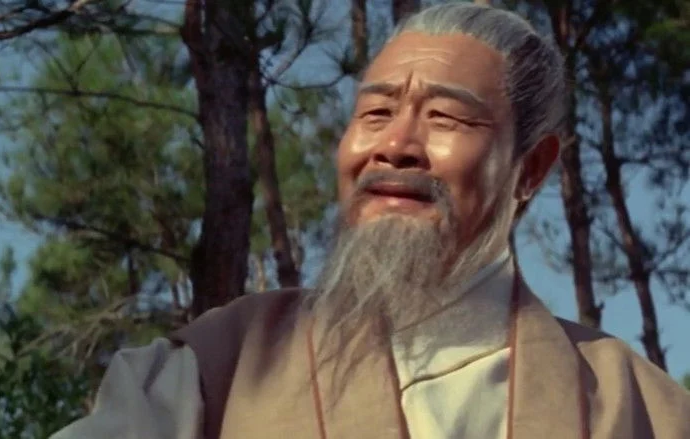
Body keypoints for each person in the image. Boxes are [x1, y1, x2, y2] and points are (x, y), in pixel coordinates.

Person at [51, 4, 690, 439]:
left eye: (446, 117)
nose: (395, 146)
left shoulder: (643, 409)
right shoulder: (213, 370)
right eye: (375, 114)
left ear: (531, 168)